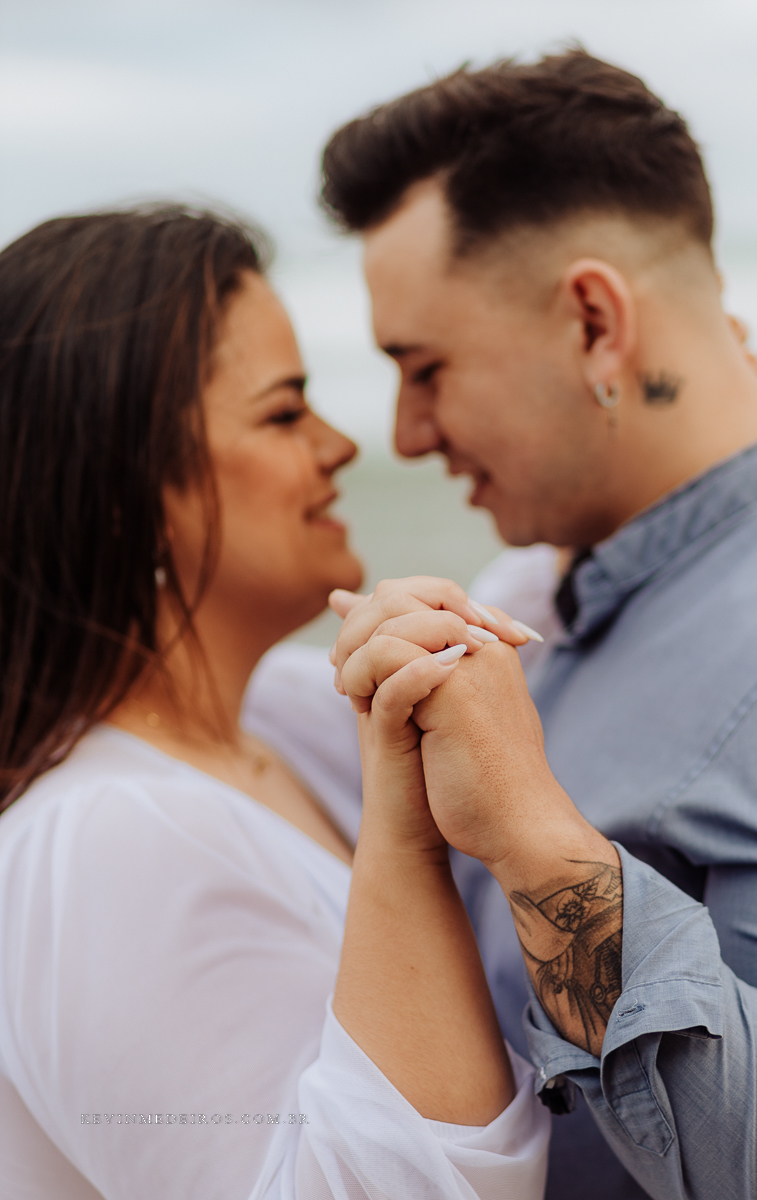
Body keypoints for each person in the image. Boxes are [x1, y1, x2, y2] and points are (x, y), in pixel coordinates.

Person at [311, 48, 757, 1200]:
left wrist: (534, 842)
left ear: (596, 324)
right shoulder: (567, 592)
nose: (404, 435)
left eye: (425, 366)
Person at [0, 206, 551, 1199]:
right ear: (134, 492)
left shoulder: (270, 725)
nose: (341, 444)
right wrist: (405, 836)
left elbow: (511, 628)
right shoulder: (103, 840)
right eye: (284, 411)